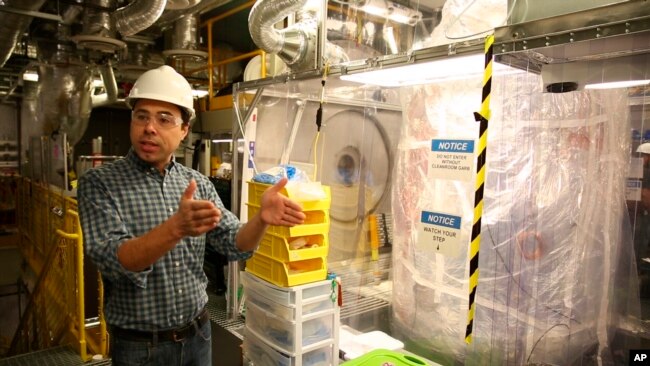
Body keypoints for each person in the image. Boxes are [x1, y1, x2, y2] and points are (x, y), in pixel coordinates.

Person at [77, 65, 306, 366]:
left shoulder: (197, 183)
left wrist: (261, 218)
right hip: (140, 349)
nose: (149, 127)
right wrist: (175, 228)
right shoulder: (100, 184)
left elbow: (236, 243)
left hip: (198, 337)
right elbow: (114, 259)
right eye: (142, 116)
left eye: (164, 119)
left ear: (184, 130)